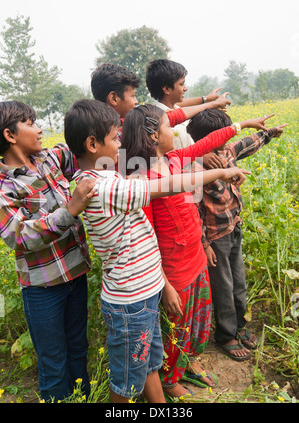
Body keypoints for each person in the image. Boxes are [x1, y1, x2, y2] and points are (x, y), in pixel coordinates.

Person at [63, 99, 247, 403]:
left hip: (144, 287)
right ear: (93, 144)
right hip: (130, 299)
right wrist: (219, 173)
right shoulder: (105, 187)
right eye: (114, 138)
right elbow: (168, 186)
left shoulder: (107, 178)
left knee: (148, 362)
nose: (120, 142)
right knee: (126, 381)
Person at [121, 104, 269, 398]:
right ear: (152, 136)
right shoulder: (142, 182)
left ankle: (188, 360)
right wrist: (165, 287)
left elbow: (206, 143)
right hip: (174, 269)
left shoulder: (175, 159)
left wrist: (243, 124)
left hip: (196, 257)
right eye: (167, 126)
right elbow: (146, 238)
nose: (173, 130)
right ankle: (170, 377)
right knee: (176, 327)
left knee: (197, 321)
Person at [0, 101, 97, 402]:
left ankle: (82, 398)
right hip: (43, 288)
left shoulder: (50, 158)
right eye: (31, 123)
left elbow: (89, 144)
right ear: (10, 135)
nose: (40, 128)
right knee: (53, 361)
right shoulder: (5, 185)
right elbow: (19, 236)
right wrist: (70, 210)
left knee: (79, 348)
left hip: (75, 273)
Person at [187, 108, 287, 361]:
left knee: (239, 282)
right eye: (223, 137)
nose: (226, 144)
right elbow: (193, 210)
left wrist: (268, 135)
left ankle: (240, 327)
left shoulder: (225, 152)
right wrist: (204, 243)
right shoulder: (195, 167)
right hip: (215, 236)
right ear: (208, 140)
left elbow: (243, 145)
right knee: (223, 286)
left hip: (234, 226)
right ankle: (226, 335)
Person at [146, 58, 231, 150]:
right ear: (166, 89)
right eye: (181, 84)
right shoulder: (155, 119)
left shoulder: (179, 110)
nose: (185, 88)